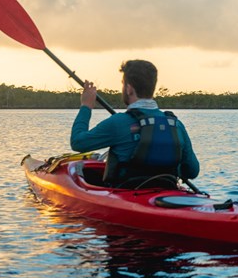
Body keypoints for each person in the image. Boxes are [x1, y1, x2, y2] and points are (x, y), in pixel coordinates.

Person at [70, 59, 199, 188]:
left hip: (126, 195)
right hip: (166, 192)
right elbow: (192, 171)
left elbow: (78, 142)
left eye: (123, 84)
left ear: (129, 88)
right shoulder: (176, 125)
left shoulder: (117, 123)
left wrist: (86, 106)